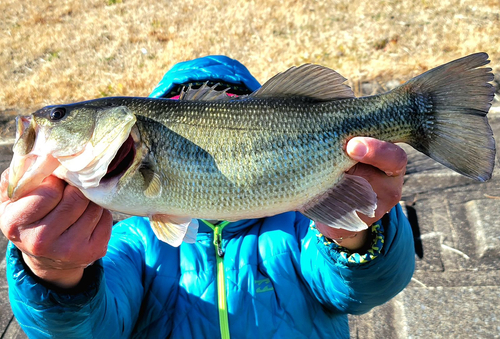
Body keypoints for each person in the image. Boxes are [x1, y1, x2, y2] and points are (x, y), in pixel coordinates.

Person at [0, 56, 414, 338]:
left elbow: (362, 291)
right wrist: (52, 270)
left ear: (124, 125)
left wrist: (358, 232)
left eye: (59, 116)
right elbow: (89, 330)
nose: (47, 122)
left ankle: (421, 111)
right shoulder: (132, 237)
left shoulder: (300, 226)